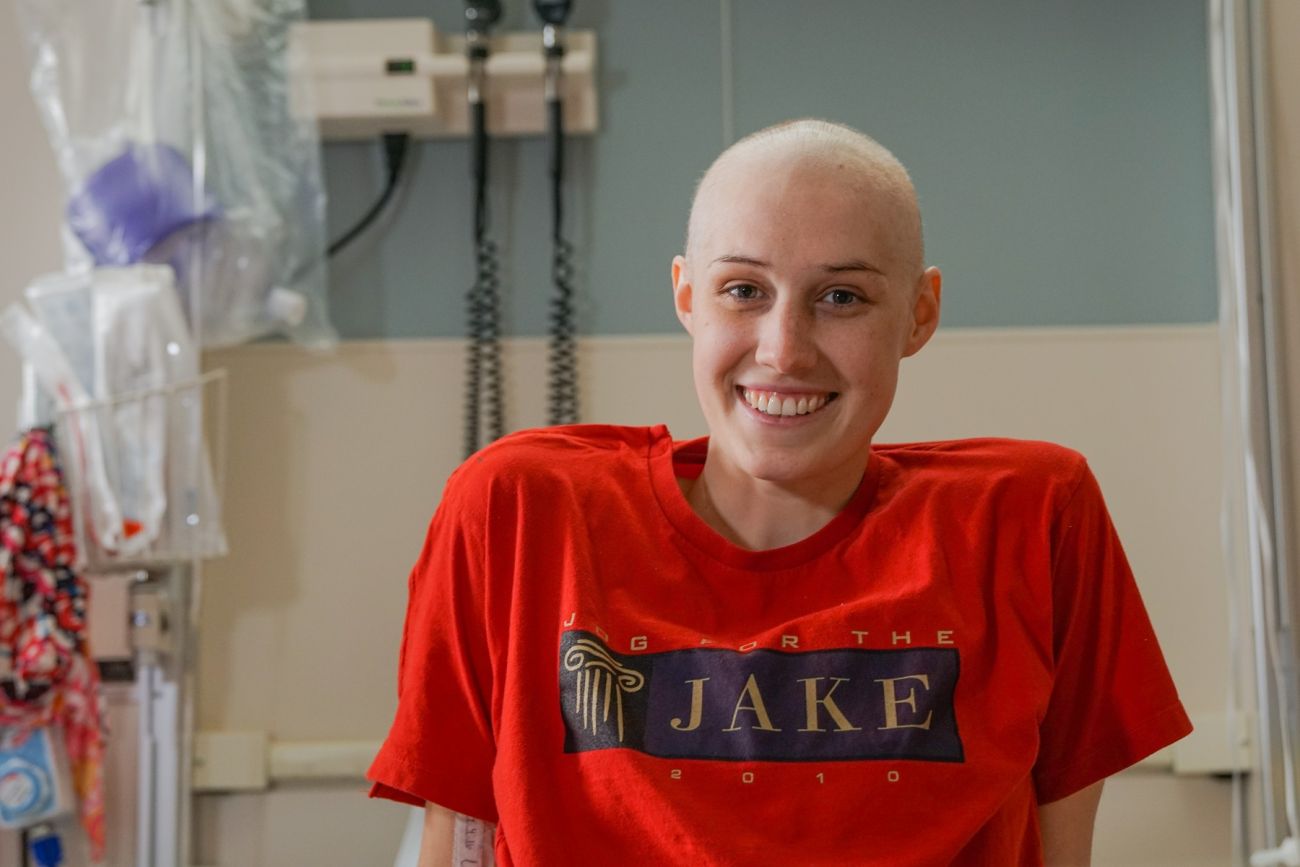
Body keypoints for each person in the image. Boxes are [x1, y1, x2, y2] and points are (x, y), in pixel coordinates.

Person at [367, 119, 1193, 866]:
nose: (784, 348)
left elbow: (1061, 852)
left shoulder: (1031, 517)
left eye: (842, 297)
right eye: (744, 290)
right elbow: (456, 841)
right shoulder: (519, 510)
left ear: (919, 313)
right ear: (688, 295)